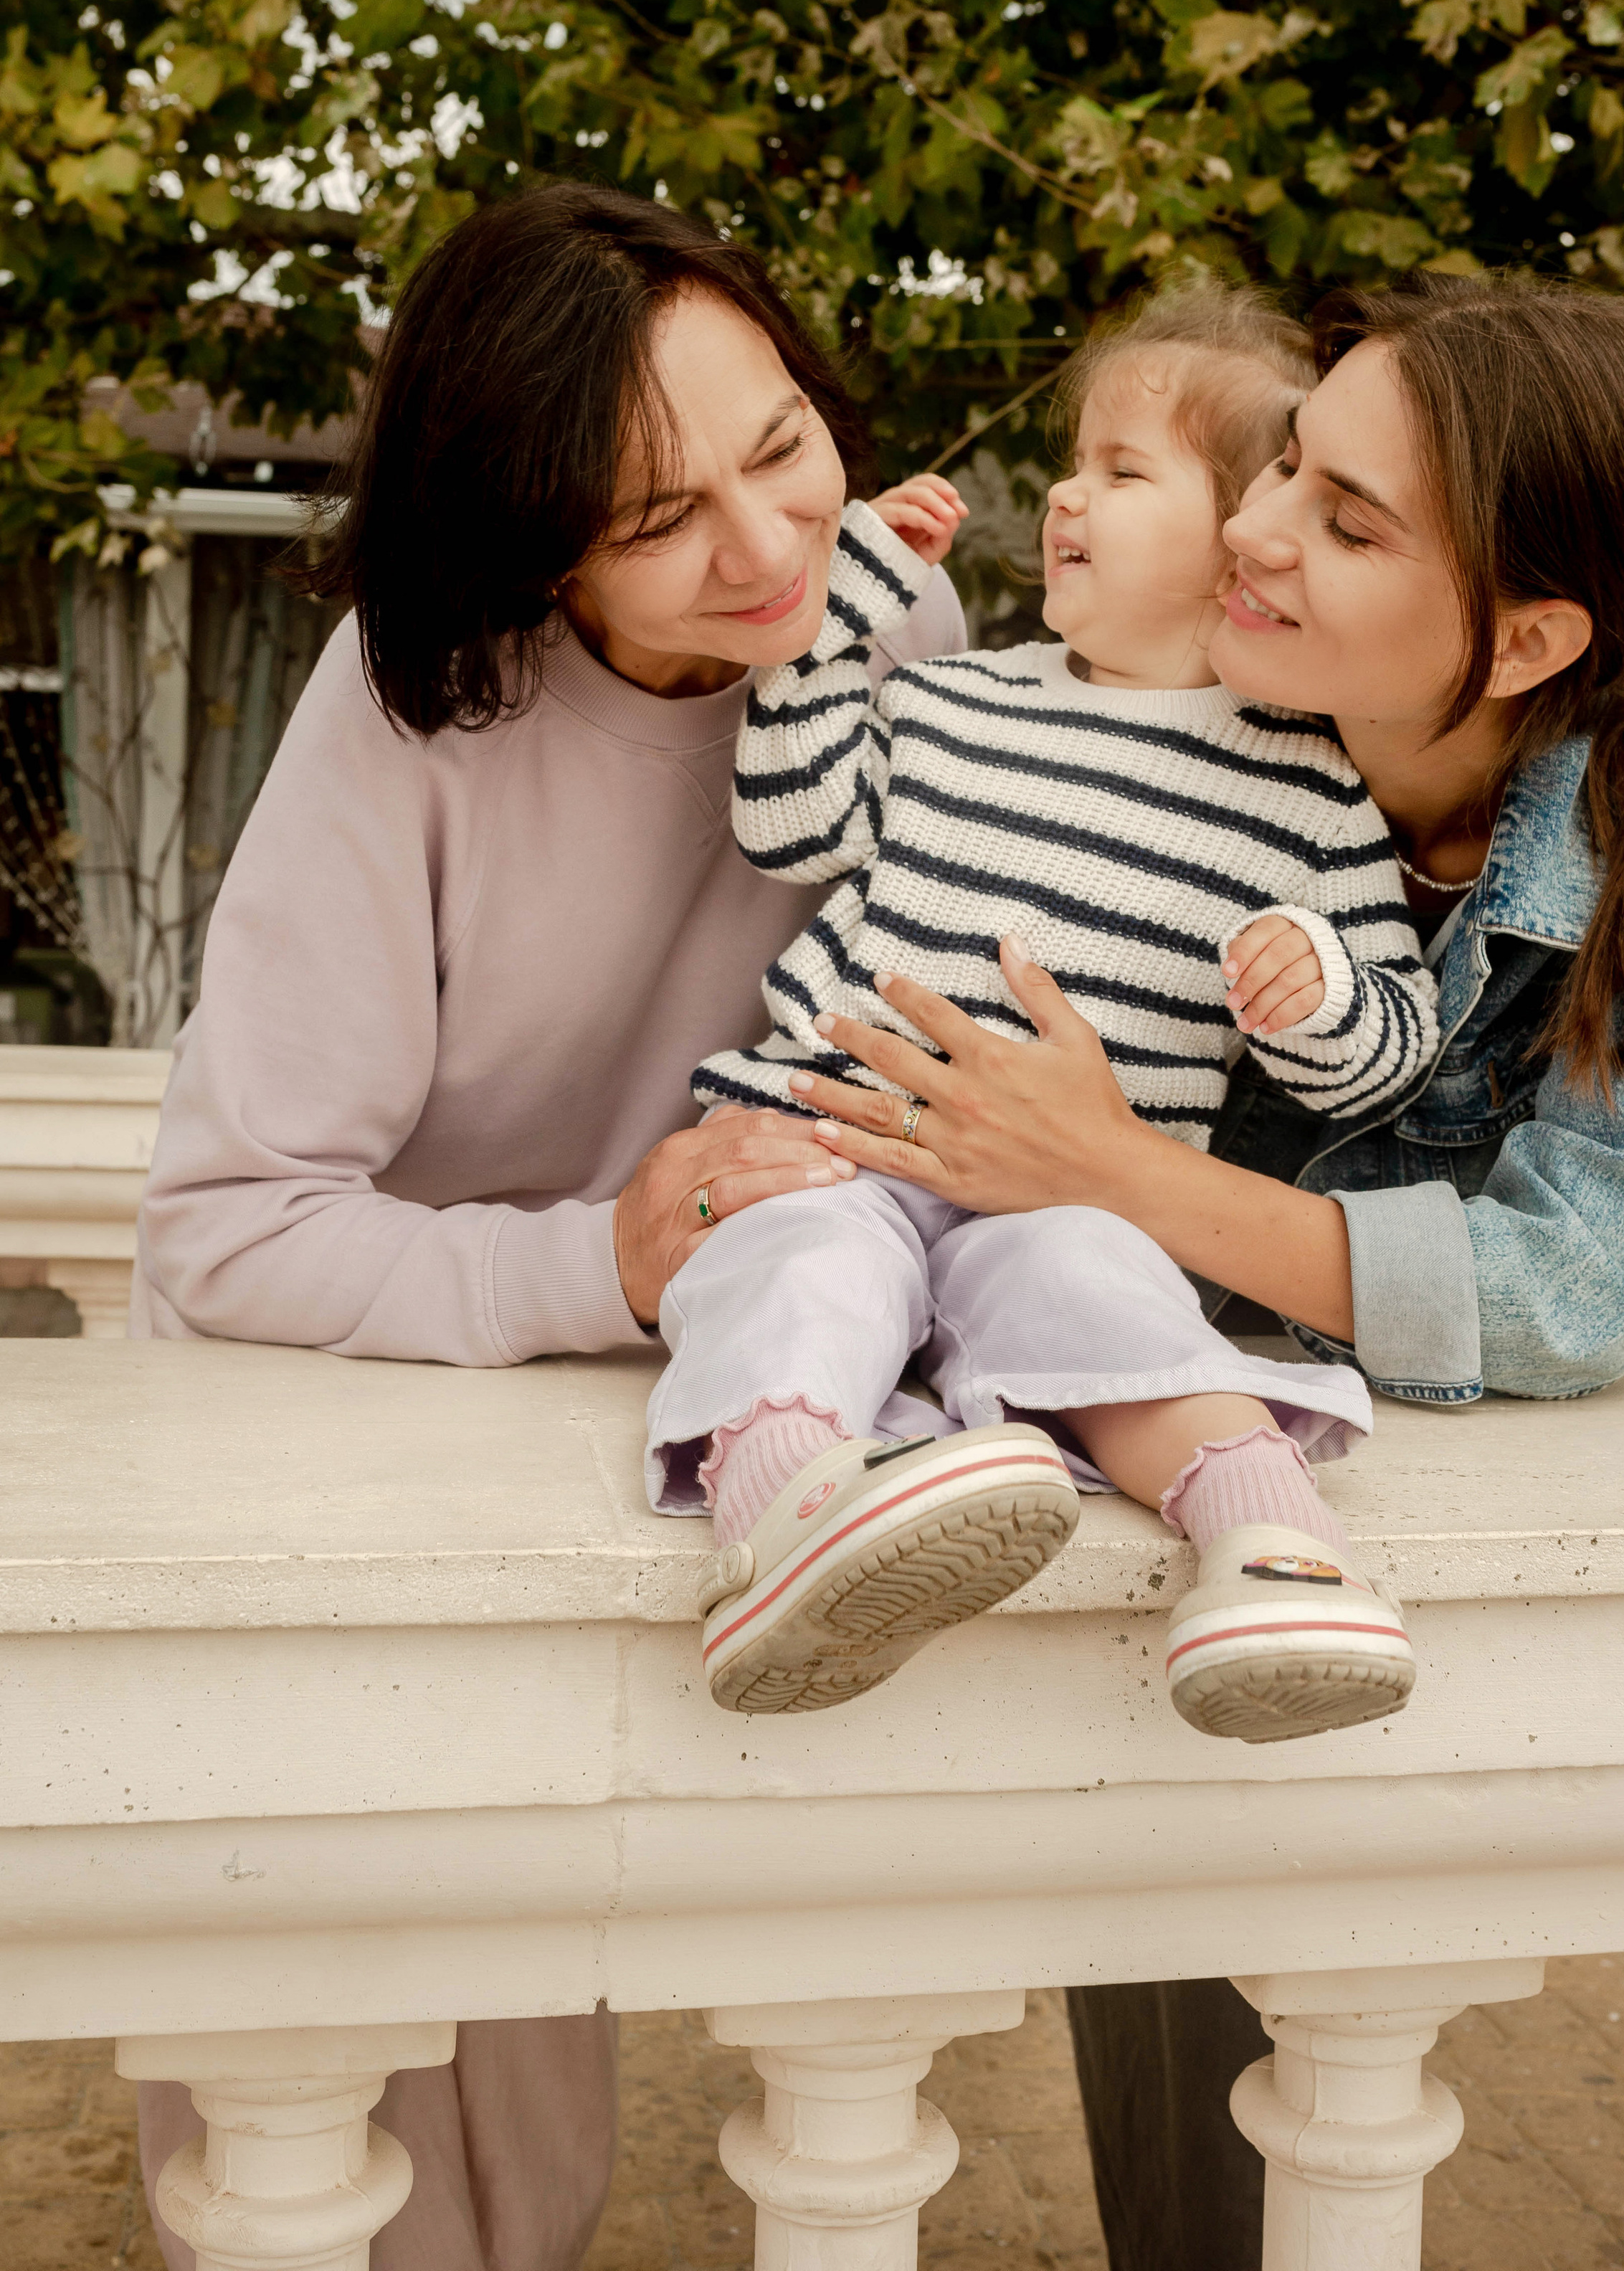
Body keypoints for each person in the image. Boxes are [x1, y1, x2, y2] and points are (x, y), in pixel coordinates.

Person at [765, 269, 1624, 2271]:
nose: (1258, 533)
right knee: (1173, 2051)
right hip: (1154, 1472)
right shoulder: (1155, 733)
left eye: (1347, 526)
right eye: (1283, 471)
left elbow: (1588, 1280)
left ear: (1523, 637)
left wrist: (1122, 1173)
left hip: (1381, 1532)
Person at [128, 181, 970, 2271]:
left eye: (782, 445)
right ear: (530, 537)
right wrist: (597, 1262)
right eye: (661, 516)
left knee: (536, 2087)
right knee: (316, 2108)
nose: (767, 550)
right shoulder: (415, 702)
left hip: (606, 1429)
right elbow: (229, 1232)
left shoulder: (894, 638)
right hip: (317, 1421)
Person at [663, 280, 1432, 1739]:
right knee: (798, 1264)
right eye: (1076, 462)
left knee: (1109, 1301)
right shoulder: (954, 703)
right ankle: (787, 1517)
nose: (1066, 497)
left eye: (1122, 472)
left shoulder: (1307, 792)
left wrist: (1315, 996)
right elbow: (786, 820)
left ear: (1241, 543)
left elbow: (1382, 1059)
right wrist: (835, 617)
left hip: (1068, 1200)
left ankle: (1272, 1552)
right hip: (834, 1140)